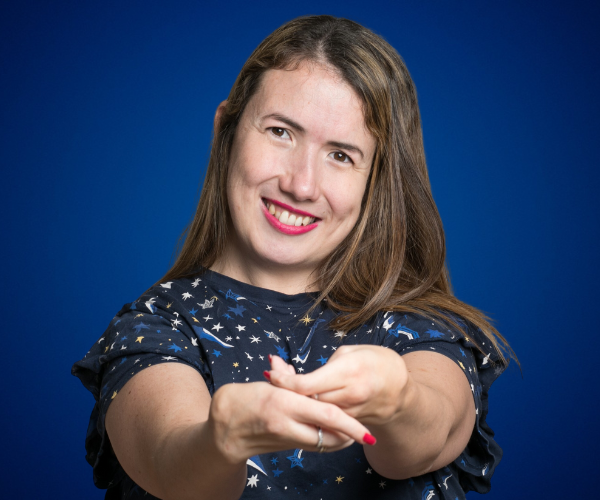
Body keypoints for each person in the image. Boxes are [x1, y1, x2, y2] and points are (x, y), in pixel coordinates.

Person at [73, 15, 513, 500]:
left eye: (341, 155)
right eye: (281, 131)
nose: (300, 185)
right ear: (227, 131)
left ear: (376, 182)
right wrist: (220, 439)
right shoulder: (156, 326)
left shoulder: (419, 327)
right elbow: (172, 465)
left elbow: (426, 437)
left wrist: (397, 400)